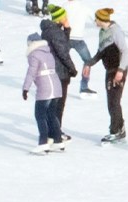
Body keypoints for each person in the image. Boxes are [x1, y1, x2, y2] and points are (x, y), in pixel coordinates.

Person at [91, 8, 128, 142]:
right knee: (111, 102)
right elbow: (100, 52)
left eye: (96, 19)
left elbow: (125, 52)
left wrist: (121, 70)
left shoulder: (115, 31)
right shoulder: (102, 32)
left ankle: (116, 131)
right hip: (109, 70)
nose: (94, 21)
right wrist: (89, 63)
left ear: (101, 19)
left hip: (118, 70)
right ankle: (119, 128)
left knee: (114, 101)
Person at [39, 5, 77, 135]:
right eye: (65, 16)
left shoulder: (49, 30)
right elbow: (64, 52)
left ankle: (54, 130)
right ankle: (55, 132)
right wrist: (72, 69)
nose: (67, 18)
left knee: (53, 105)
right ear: (60, 18)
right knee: (58, 105)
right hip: (59, 73)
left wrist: (66, 30)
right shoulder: (56, 33)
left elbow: (63, 45)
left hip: (51, 71)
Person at [23, 31, 63, 151]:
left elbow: (31, 72)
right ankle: (58, 140)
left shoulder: (34, 55)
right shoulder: (48, 52)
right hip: (56, 86)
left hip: (45, 88)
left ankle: (43, 142)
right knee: (51, 114)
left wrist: (25, 88)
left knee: (40, 115)